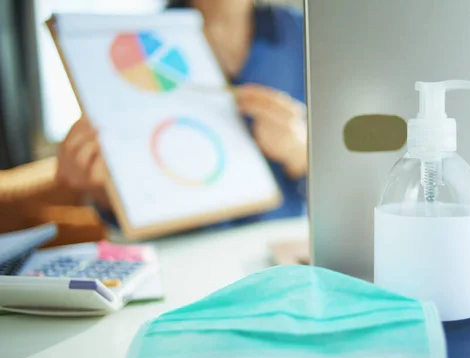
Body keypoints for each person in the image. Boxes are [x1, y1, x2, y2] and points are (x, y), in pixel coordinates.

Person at [56, 0, 307, 226]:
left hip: (283, 247)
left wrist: (302, 154)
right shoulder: (135, 44)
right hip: (184, 255)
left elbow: (340, 187)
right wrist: (103, 189)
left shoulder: (306, 34)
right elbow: (137, 199)